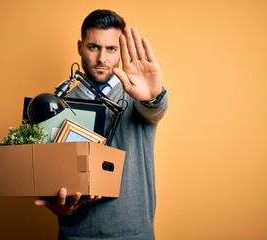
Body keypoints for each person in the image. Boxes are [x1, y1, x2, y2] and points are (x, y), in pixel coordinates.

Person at [35, 9, 168, 239]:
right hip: (75, 234)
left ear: (120, 51)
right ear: (80, 47)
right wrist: (56, 205)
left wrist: (153, 96)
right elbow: (51, 177)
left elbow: (155, 109)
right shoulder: (58, 106)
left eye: (111, 49)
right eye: (93, 47)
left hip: (134, 234)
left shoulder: (138, 97)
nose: (102, 59)